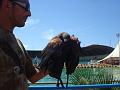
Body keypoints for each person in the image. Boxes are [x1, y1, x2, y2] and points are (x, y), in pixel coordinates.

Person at [0, 0, 49, 90]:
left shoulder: (18, 43)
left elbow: (33, 77)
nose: (29, 13)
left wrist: (58, 52)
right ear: (7, 5)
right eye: (27, 7)